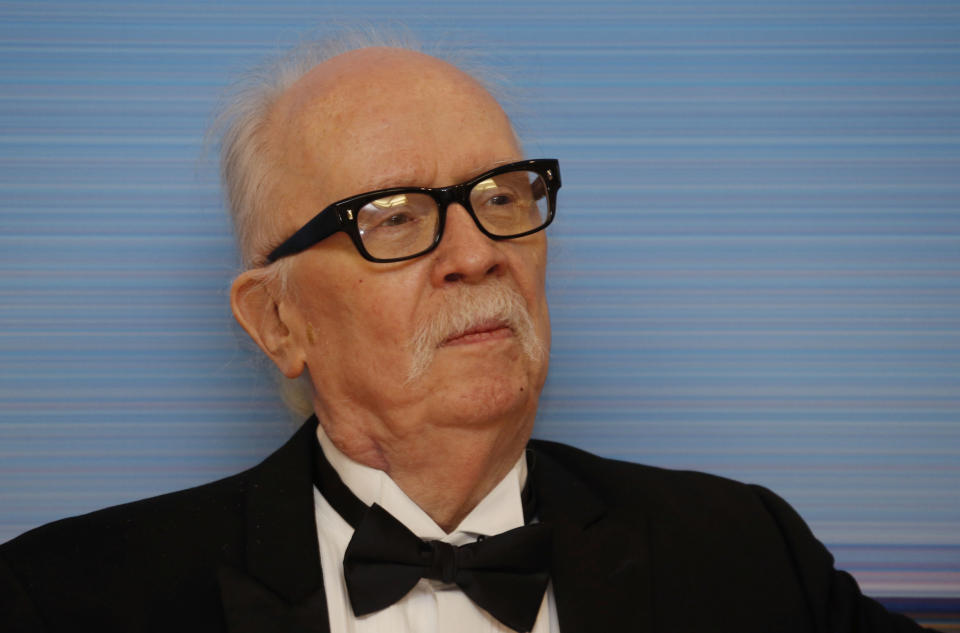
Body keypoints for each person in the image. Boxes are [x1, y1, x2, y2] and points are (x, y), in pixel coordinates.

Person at [0, 35, 938, 633]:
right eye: (396, 216)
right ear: (278, 320)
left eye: (501, 197)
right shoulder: (67, 599)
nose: (477, 252)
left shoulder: (744, 554)